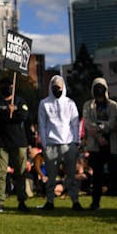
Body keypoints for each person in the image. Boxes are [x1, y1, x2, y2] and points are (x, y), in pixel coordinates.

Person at [82, 78, 117, 211]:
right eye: (96, 87)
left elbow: (113, 122)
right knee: (97, 176)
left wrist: (101, 128)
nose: (99, 90)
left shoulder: (113, 105)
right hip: (96, 145)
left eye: (101, 87)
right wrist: (99, 136)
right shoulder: (88, 105)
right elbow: (88, 124)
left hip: (112, 143)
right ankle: (95, 203)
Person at [37, 75, 83, 211]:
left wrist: (75, 142)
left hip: (68, 144)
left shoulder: (70, 103)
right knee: (51, 176)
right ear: (51, 87)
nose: (56, 89)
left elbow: (75, 124)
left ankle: (75, 201)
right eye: (54, 87)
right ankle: (50, 201)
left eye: (59, 87)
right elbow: (42, 124)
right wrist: (44, 144)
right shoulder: (44, 103)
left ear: (63, 88)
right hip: (51, 144)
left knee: (71, 175)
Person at [0, 84, 32, 213]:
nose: (9, 89)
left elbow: (23, 116)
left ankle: (22, 201)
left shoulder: (20, 101)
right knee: (1, 173)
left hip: (19, 143)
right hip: (1, 143)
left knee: (20, 173)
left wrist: (12, 113)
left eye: (12, 86)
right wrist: (7, 112)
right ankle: (0, 201)